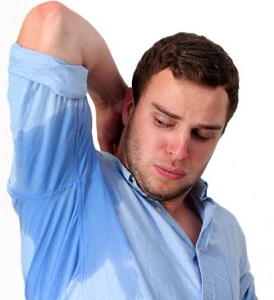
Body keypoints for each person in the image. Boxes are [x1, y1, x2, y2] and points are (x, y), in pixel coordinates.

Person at [7, 1, 257, 299]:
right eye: (163, 121)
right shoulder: (67, 186)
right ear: (131, 107)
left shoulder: (226, 231)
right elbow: (52, 24)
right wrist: (110, 98)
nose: (179, 150)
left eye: (202, 134)